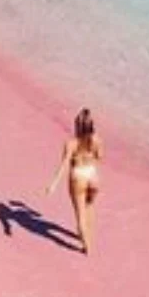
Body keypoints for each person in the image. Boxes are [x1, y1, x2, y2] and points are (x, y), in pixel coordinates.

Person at [45, 108, 105, 255]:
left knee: (80, 214)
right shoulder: (96, 140)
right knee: (89, 206)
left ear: (76, 126)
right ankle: (88, 234)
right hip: (92, 175)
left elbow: (64, 165)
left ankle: (87, 247)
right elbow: (100, 157)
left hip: (78, 176)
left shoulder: (71, 143)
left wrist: (53, 185)